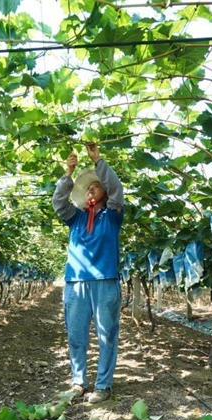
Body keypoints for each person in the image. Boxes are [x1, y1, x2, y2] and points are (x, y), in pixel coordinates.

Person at [52, 142, 124, 403]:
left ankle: (103, 386)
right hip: (76, 282)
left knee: (107, 334)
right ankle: (78, 381)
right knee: (76, 334)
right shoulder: (76, 217)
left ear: (104, 191)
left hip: (105, 281)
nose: (91, 189)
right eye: (89, 188)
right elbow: (58, 202)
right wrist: (68, 174)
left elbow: (117, 189)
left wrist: (99, 162)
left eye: (95, 185)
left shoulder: (113, 214)